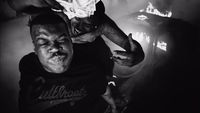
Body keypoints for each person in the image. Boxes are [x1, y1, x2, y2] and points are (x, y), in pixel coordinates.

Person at [19, 12, 118, 113]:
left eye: (62, 39)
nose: (54, 48)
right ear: (35, 48)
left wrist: (113, 106)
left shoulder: (90, 68)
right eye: (43, 42)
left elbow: (104, 89)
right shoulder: (28, 65)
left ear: (71, 42)